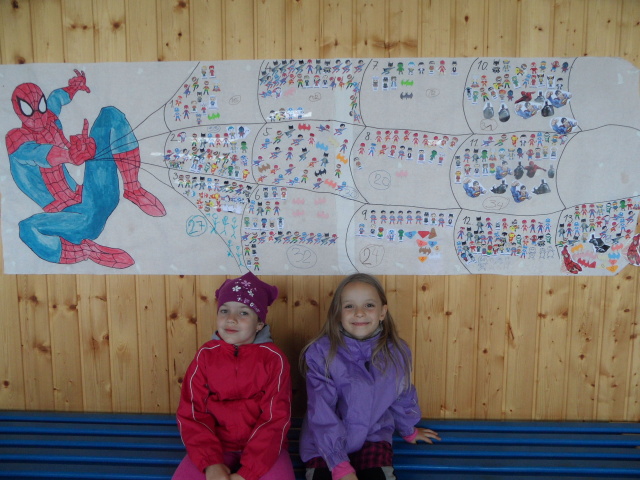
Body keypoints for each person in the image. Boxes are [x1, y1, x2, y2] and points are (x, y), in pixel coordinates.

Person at [299, 273, 440, 480]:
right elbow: (322, 411)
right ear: (337, 313)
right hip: (324, 444)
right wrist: (340, 466)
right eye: (349, 306)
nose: (359, 313)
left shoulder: (397, 352)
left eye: (369, 305)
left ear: (382, 312)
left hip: (373, 436)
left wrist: (408, 429)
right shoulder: (321, 353)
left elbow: (402, 395)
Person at [173, 272, 295, 480]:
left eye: (243, 312)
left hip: (265, 451)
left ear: (259, 324)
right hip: (216, 447)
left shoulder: (275, 359)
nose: (231, 319)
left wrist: (248, 472)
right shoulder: (205, 356)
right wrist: (210, 463)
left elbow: (275, 419)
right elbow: (192, 413)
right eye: (224, 310)